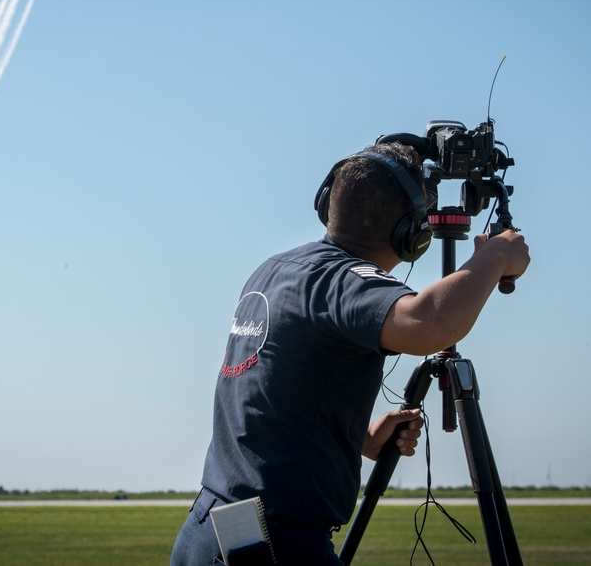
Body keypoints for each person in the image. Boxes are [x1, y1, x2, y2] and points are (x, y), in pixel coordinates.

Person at [170, 136, 530, 565]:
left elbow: (271, 391)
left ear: (329, 203)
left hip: (210, 533)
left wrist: (358, 437)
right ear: (411, 233)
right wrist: (495, 258)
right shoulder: (343, 281)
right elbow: (430, 324)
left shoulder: (277, 270)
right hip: (275, 545)